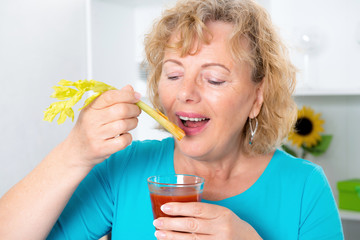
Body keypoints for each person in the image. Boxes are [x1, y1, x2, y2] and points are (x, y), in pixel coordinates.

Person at [0, 0, 343, 239]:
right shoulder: (125, 167)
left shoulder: (304, 187)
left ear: (257, 96)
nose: (185, 94)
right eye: (174, 74)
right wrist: (73, 153)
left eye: (215, 79)